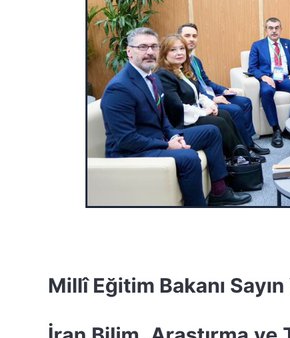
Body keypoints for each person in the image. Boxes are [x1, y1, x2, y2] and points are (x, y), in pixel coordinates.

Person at [100, 28, 251, 206]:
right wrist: (167, 144)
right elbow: (125, 139)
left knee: (211, 131)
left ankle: (220, 192)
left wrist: (173, 136)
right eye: (142, 47)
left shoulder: (152, 79)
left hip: (158, 138)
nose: (149, 52)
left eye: (153, 47)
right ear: (129, 51)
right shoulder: (119, 88)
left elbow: (163, 118)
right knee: (188, 157)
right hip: (132, 150)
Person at [177, 22, 268, 157]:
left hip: (210, 95)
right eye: (187, 35)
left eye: (194, 36)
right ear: (179, 37)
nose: (191, 39)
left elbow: (206, 82)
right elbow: (192, 92)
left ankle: (249, 141)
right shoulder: (178, 62)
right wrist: (212, 99)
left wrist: (224, 90)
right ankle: (244, 147)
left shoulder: (196, 60)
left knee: (245, 102)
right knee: (235, 110)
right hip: (203, 101)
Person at [155, 34, 250, 159]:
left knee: (225, 114)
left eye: (181, 49)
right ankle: (239, 158)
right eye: (173, 50)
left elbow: (198, 94)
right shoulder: (164, 74)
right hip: (182, 120)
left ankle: (242, 154)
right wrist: (204, 112)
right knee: (219, 122)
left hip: (194, 113)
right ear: (164, 53)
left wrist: (211, 105)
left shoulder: (182, 69)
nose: (179, 53)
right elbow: (177, 107)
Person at [248, 17, 290, 148]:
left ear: (281, 29)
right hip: (269, 78)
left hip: (285, 78)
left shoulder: (288, 43)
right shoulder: (257, 45)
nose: (274, 31)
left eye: (276, 28)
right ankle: (276, 130)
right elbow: (252, 68)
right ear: (266, 30)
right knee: (266, 91)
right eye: (271, 28)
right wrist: (263, 77)